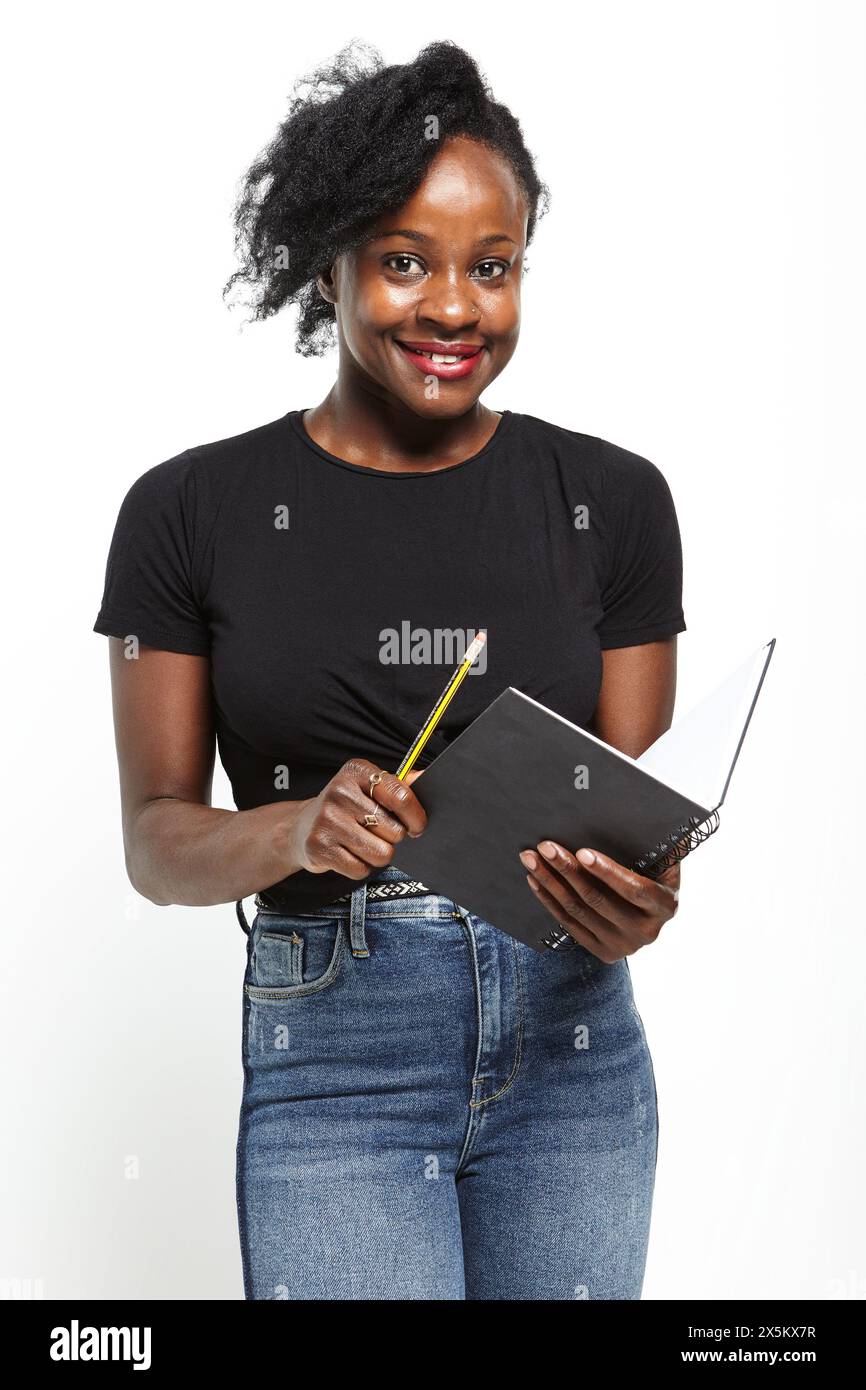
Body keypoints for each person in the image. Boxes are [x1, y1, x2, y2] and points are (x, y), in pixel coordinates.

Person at [94, 40, 685, 1300]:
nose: (453, 309)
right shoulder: (190, 510)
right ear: (330, 263)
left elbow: (621, 810)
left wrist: (640, 896)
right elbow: (155, 843)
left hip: (573, 1058)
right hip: (337, 1055)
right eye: (405, 260)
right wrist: (297, 829)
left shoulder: (613, 502)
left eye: (492, 266)